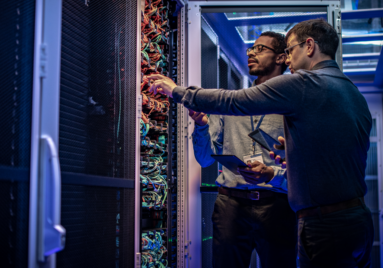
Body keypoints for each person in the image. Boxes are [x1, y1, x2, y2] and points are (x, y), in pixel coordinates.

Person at [148, 18, 374, 268]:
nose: (289, 60)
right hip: (354, 219)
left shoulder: (304, 84)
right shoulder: (352, 93)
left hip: (321, 222)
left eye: (290, 51)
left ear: (309, 46)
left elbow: (235, 102)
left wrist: (177, 91)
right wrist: (293, 156)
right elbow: (336, 155)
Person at [189, 31, 297, 268]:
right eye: (250, 49)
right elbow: (205, 159)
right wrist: (201, 125)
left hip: (277, 205)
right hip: (231, 205)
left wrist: (271, 173)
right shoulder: (231, 102)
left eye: (260, 49)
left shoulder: (292, 105)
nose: (250, 53)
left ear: (280, 58)